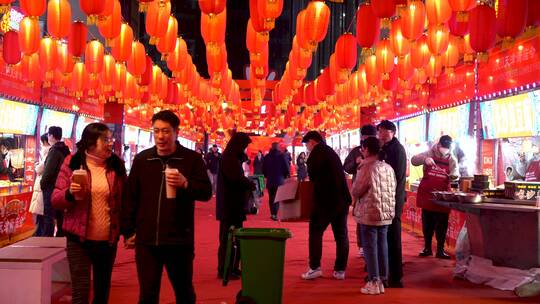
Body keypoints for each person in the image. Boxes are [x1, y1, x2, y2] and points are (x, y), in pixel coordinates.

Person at [122, 110, 212, 304]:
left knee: (184, 292)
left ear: (176, 132)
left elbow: (206, 192)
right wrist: (128, 230)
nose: (161, 137)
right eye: (156, 131)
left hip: (179, 240)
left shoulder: (191, 160)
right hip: (147, 240)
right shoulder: (143, 159)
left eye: (166, 131)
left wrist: (186, 184)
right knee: (147, 294)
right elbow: (130, 197)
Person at [52, 123, 127, 304]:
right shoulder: (72, 162)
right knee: (80, 293)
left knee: (102, 293)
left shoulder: (116, 165)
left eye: (111, 139)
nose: (111, 143)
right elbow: (55, 199)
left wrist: (129, 230)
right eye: (106, 140)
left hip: (107, 241)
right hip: (78, 240)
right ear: (91, 142)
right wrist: (69, 193)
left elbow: (125, 201)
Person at [300, 131, 351, 280]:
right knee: (341, 235)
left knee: (315, 232)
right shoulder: (331, 152)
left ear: (312, 142)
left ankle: (315, 267)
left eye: (307, 144)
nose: (307, 147)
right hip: (341, 200)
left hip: (325, 201)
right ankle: (340, 270)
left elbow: (313, 176)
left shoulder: (316, 154)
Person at [352, 137, 396, 295]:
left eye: (362, 149)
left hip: (370, 213)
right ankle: (383, 279)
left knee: (370, 248)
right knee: (382, 246)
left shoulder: (367, 167)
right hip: (385, 213)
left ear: (368, 150)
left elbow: (356, 191)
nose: (361, 152)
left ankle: (374, 281)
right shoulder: (388, 167)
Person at [412, 135, 459, 260]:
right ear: (438, 145)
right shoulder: (429, 152)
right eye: (443, 147)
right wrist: (425, 159)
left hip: (443, 196)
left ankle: (440, 250)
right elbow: (413, 160)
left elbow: (456, 172)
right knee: (427, 223)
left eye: (447, 148)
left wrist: (454, 176)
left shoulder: (452, 158)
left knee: (442, 224)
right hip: (428, 194)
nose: (444, 150)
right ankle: (427, 248)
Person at [216, 132, 254, 279]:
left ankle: (232, 267)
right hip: (230, 205)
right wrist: (249, 184)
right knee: (228, 238)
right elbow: (235, 179)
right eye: (244, 146)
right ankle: (225, 268)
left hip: (232, 204)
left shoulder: (232, 157)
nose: (245, 149)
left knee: (235, 238)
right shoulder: (229, 158)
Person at [377, 120, 407, 288]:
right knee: (385, 238)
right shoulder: (385, 148)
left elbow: (398, 177)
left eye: (382, 131)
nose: (380, 134)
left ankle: (396, 277)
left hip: (393, 199)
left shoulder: (397, 149)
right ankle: (385, 273)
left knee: (393, 239)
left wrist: (395, 203)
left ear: (391, 132)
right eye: (379, 131)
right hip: (385, 199)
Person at [343, 124, 377, 258]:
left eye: (371, 137)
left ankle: (375, 247)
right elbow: (346, 167)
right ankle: (362, 245)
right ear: (362, 137)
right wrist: (357, 163)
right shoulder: (357, 151)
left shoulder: (380, 150)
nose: (368, 139)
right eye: (366, 137)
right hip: (361, 188)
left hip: (377, 189)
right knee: (361, 217)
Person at [36, 126, 70, 237]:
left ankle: (48, 241)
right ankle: (60, 238)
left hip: (51, 188)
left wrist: (43, 184)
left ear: (51, 136)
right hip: (62, 187)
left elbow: (49, 171)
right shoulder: (65, 150)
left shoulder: (54, 151)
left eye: (48, 135)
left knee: (49, 216)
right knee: (60, 215)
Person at [262, 142, 290, 221]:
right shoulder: (282, 156)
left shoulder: (267, 157)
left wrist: (266, 175)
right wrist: (284, 176)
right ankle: (274, 213)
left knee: (271, 197)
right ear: (278, 147)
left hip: (270, 180)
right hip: (279, 180)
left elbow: (263, 169)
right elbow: (286, 168)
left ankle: (272, 213)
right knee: (277, 197)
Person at [29, 134, 51, 218]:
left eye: (42, 142)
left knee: (42, 213)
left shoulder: (47, 153)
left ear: (45, 142)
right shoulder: (48, 153)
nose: (41, 145)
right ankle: (40, 230)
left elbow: (40, 169)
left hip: (42, 185)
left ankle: (41, 231)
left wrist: (36, 166)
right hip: (42, 185)